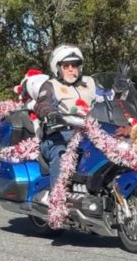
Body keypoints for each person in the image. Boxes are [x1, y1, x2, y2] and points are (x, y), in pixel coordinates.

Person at [34, 44, 99, 189]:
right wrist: (50, 114)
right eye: (66, 65)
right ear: (57, 68)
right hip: (59, 135)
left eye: (74, 65)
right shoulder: (50, 85)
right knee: (61, 153)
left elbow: (108, 99)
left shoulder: (90, 83)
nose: (71, 69)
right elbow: (43, 104)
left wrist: (119, 89)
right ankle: (58, 200)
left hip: (90, 134)